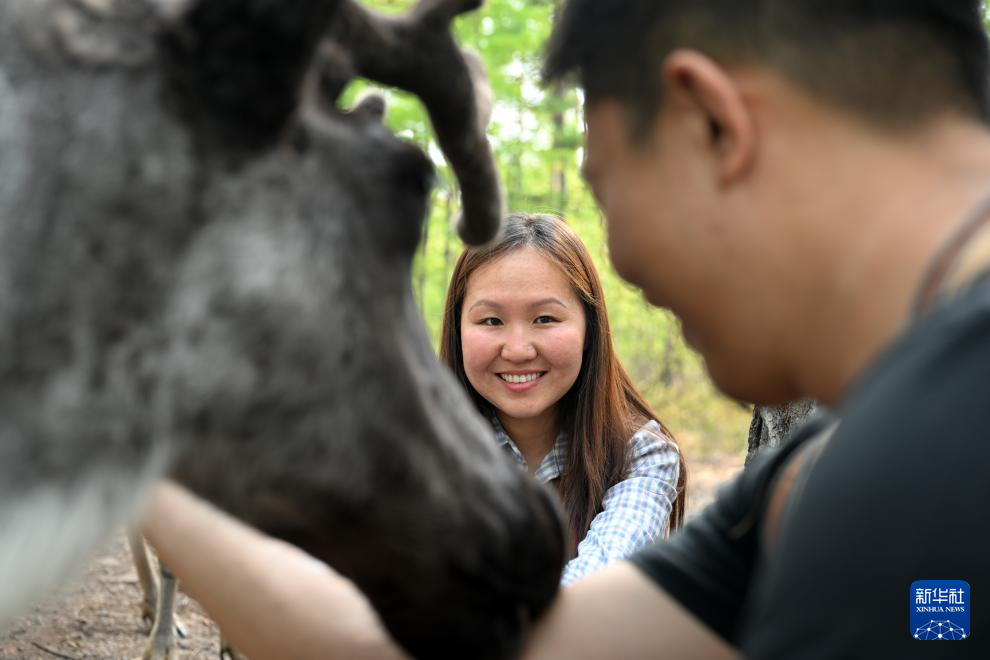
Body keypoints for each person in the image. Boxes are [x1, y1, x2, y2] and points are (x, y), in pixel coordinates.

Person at [144, 0, 990, 657]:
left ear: (714, 125)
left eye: (609, 184)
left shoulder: (905, 459)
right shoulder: (806, 491)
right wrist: (123, 445)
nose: (626, 262)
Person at [438, 212, 685, 586]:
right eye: (491, 321)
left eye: (545, 319)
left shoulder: (640, 457)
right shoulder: (415, 451)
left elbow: (594, 591)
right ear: (458, 330)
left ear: (589, 328)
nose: (518, 349)